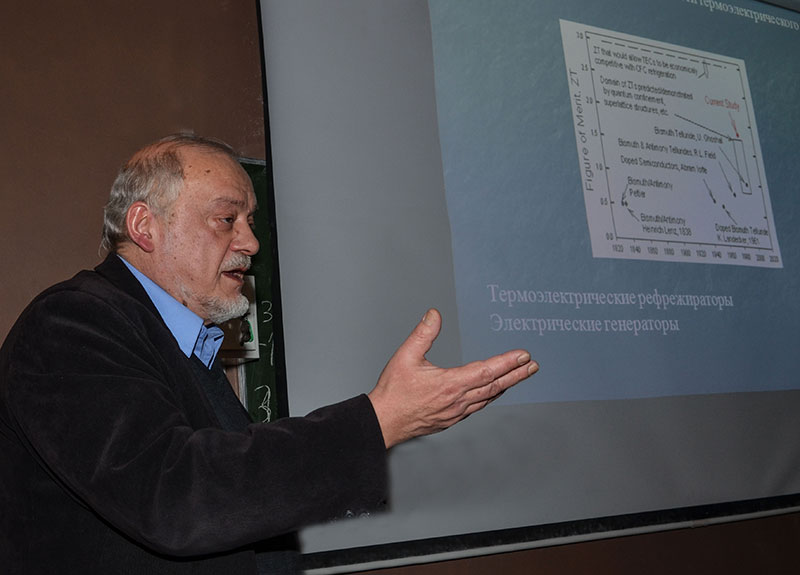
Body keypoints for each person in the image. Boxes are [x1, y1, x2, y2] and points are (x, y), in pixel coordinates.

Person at [0, 134, 538, 574]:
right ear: (145, 227)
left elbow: (236, 510)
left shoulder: (183, 341)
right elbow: (177, 497)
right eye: (226, 219)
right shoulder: (70, 323)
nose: (251, 243)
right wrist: (379, 420)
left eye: (250, 222)